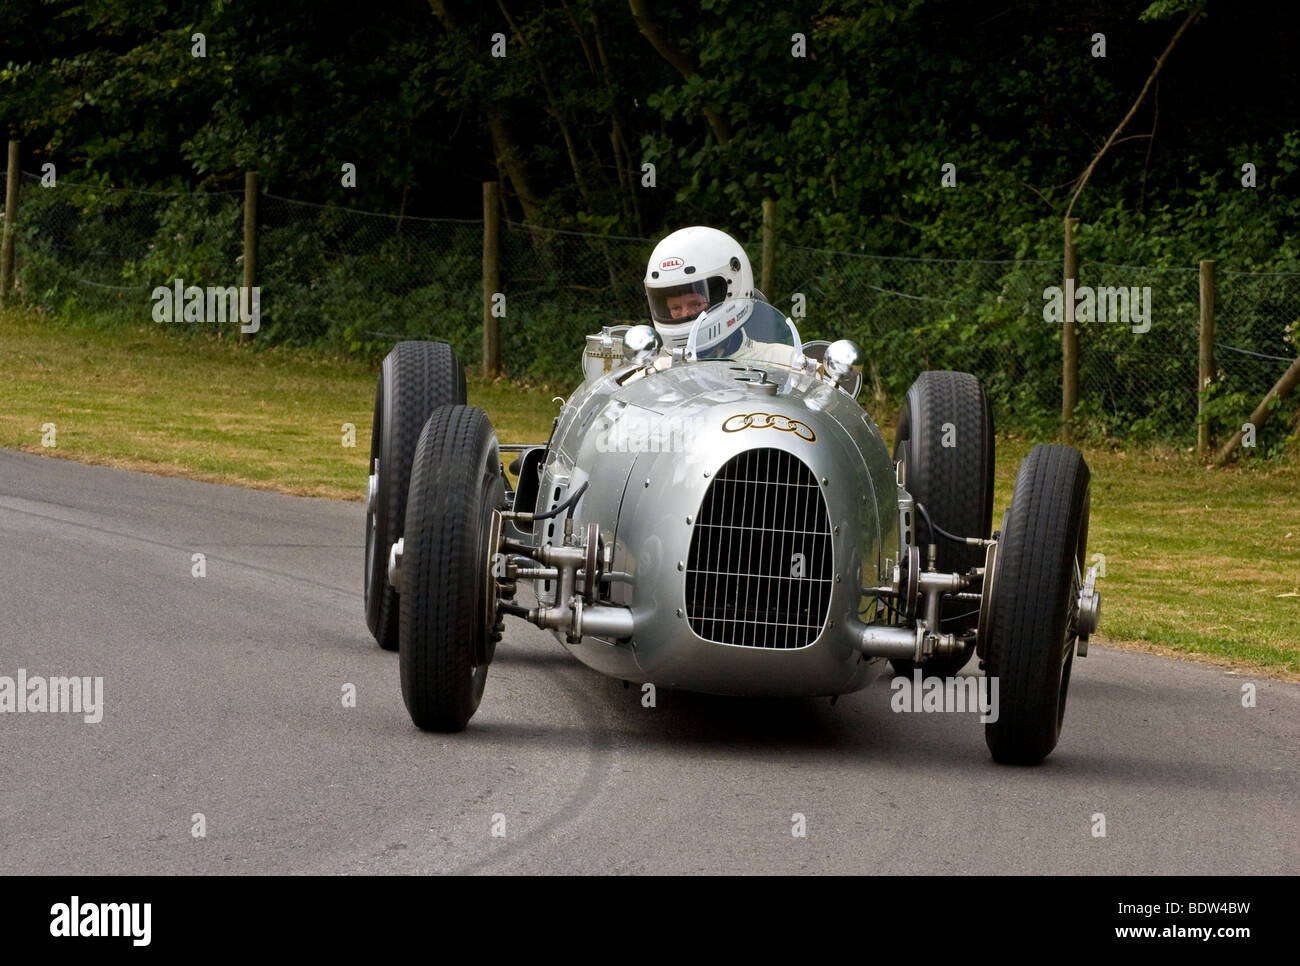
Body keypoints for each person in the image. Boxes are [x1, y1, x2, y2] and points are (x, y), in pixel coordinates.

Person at [643, 226, 755, 353]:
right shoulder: (655, 369)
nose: (685, 313)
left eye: (696, 304)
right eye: (675, 308)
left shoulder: (774, 362)